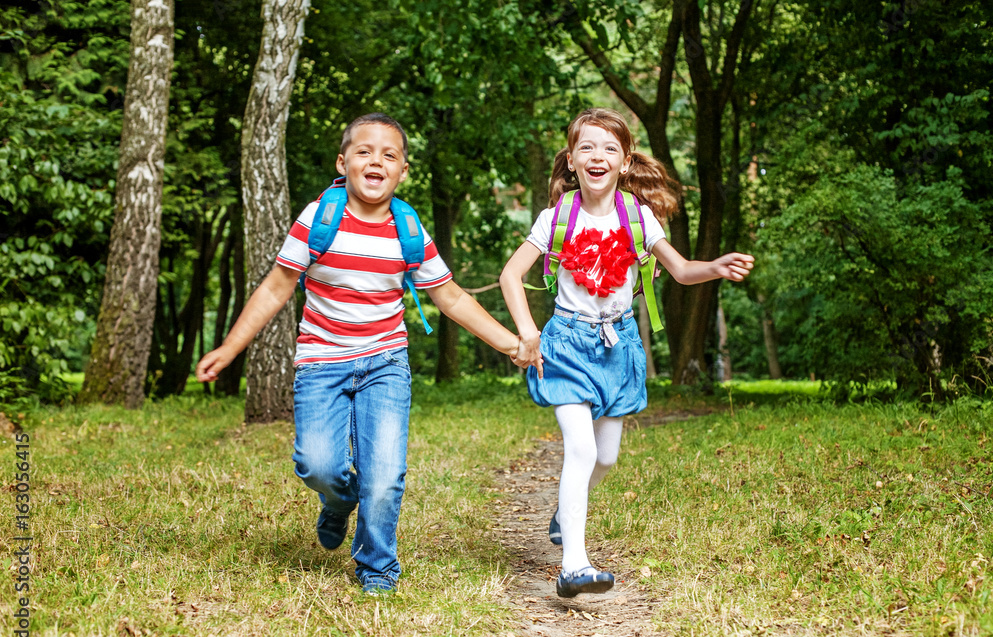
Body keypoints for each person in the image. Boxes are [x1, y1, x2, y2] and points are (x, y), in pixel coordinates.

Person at [197, 113, 535, 595]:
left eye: (389, 154)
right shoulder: (318, 219)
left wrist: (511, 343)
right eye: (364, 151)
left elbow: (452, 298)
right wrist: (230, 348)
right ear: (344, 162)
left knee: (385, 476)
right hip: (321, 363)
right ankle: (338, 501)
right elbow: (276, 289)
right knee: (318, 465)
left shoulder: (408, 229)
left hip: (385, 364)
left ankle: (377, 568)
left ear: (402, 171)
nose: (376, 160)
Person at [499, 108, 754, 598]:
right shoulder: (557, 218)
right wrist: (528, 332)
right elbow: (511, 276)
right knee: (582, 448)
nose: (598, 156)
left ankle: (564, 513)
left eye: (609, 148)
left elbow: (680, 271)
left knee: (607, 458)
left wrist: (716, 267)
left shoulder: (639, 217)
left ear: (625, 161)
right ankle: (574, 563)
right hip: (567, 345)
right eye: (587, 147)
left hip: (619, 348)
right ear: (571, 160)